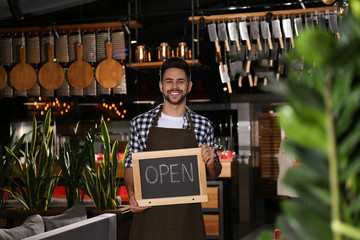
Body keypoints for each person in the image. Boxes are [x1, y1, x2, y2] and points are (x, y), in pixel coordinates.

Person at [124, 57, 222, 240]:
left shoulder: (203, 125)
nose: (174, 86)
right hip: (149, 217)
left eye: (180, 81)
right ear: (161, 86)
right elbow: (130, 165)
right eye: (169, 81)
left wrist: (210, 163)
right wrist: (132, 195)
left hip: (187, 219)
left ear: (189, 86)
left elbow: (214, 172)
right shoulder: (140, 123)